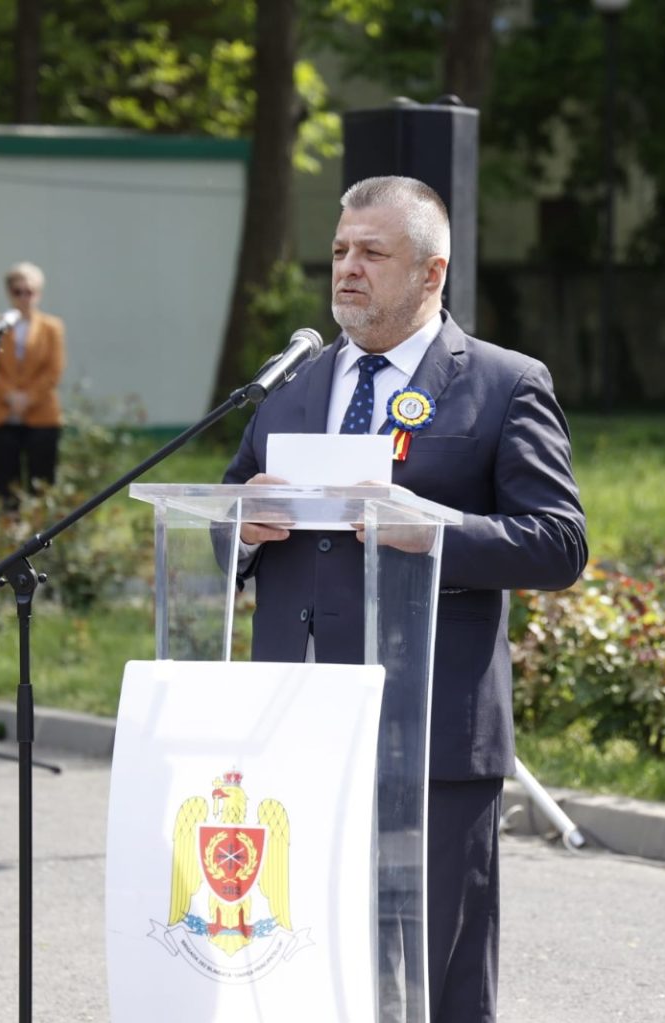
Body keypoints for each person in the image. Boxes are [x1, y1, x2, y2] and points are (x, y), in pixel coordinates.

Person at [222, 176, 587, 1022]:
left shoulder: (501, 383)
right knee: (304, 957)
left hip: (433, 728)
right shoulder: (293, 384)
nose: (347, 268)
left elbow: (559, 543)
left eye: (372, 253)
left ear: (432, 272)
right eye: (342, 251)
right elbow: (223, 511)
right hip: (299, 721)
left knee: (435, 973)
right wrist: (242, 529)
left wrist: (438, 530)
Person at [0, 261, 65, 507]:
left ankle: (43, 538)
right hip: (2, 414)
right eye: (17, 291)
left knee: (41, 483)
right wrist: (9, 396)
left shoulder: (52, 328)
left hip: (41, 414)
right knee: (6, 485)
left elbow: (54, 370)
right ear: (9, 293)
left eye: (29, 291)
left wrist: (27, 398)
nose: (24, 297)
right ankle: (10, 538)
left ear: (38, 293)